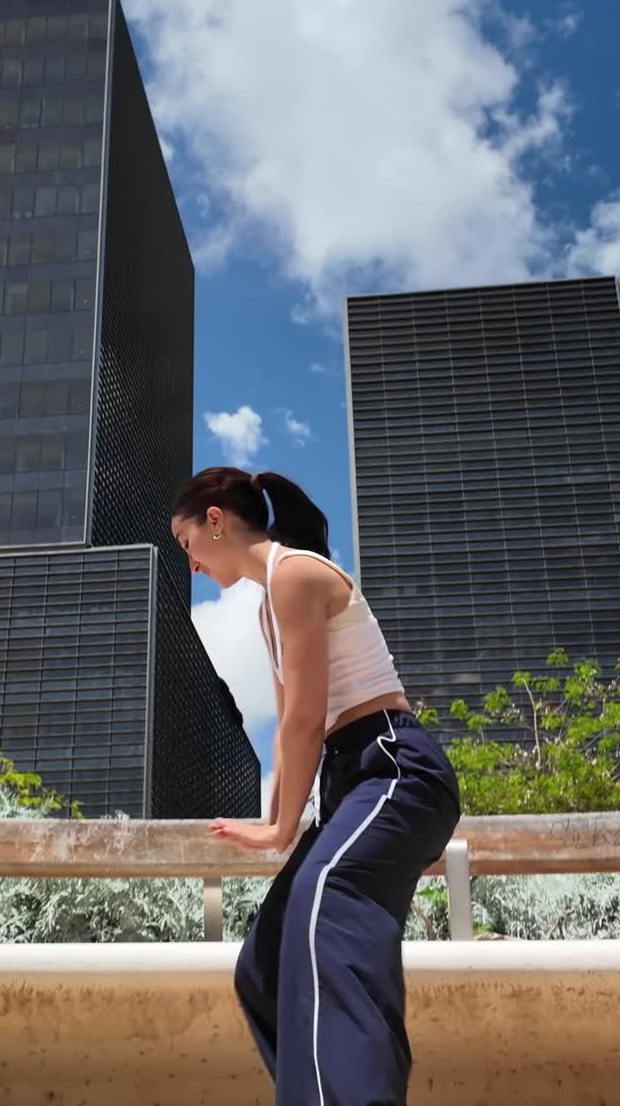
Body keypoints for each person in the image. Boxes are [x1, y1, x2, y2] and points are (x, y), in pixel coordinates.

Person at [171, 466, 461, 1106]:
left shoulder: (296, 574)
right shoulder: (269, 609)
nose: (189, 563)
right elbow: (287, 730)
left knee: (327, 905)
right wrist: (279, 817)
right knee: (267, 963)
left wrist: (280, 829)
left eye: (188, 543)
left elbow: (307, 718)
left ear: (216, 521)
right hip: (351, 781)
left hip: (395, 766)